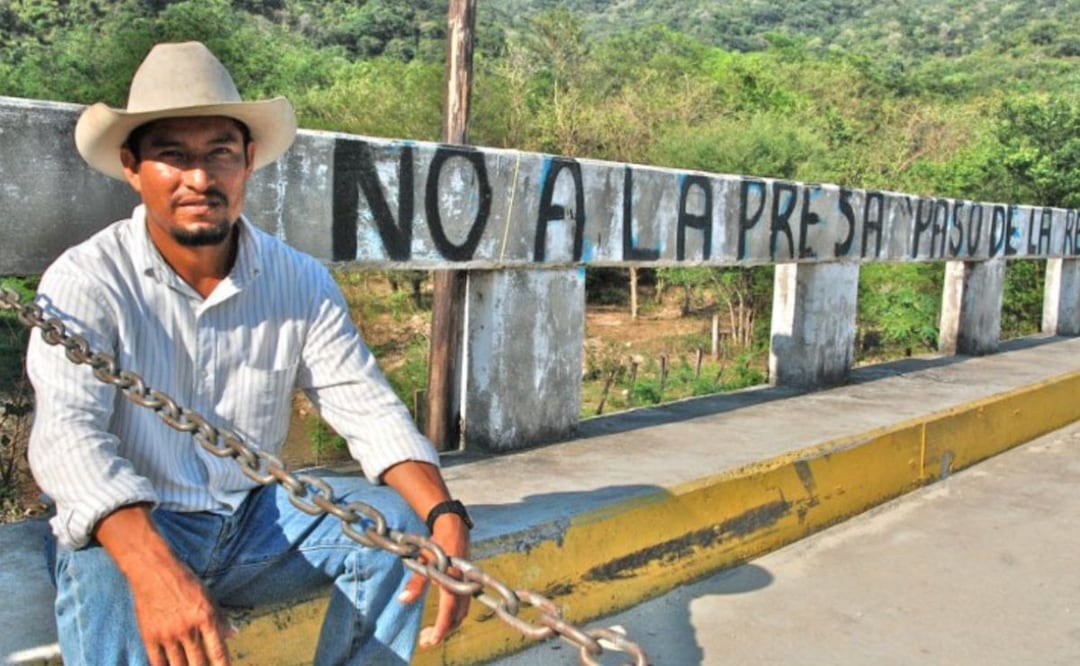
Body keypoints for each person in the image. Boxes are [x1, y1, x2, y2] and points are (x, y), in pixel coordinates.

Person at [26, 41, 471, 665]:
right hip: (137, 525)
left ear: (249, 160)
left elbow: (367, 408)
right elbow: (68, 437)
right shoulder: (87, 279)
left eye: (219, 155)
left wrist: (445, 513)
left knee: (397, 529)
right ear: (132, 166)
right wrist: (155, 570)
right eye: (172, 157)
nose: (200, 179)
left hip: (257, 525)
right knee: (104, 569)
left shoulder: (299, 280)